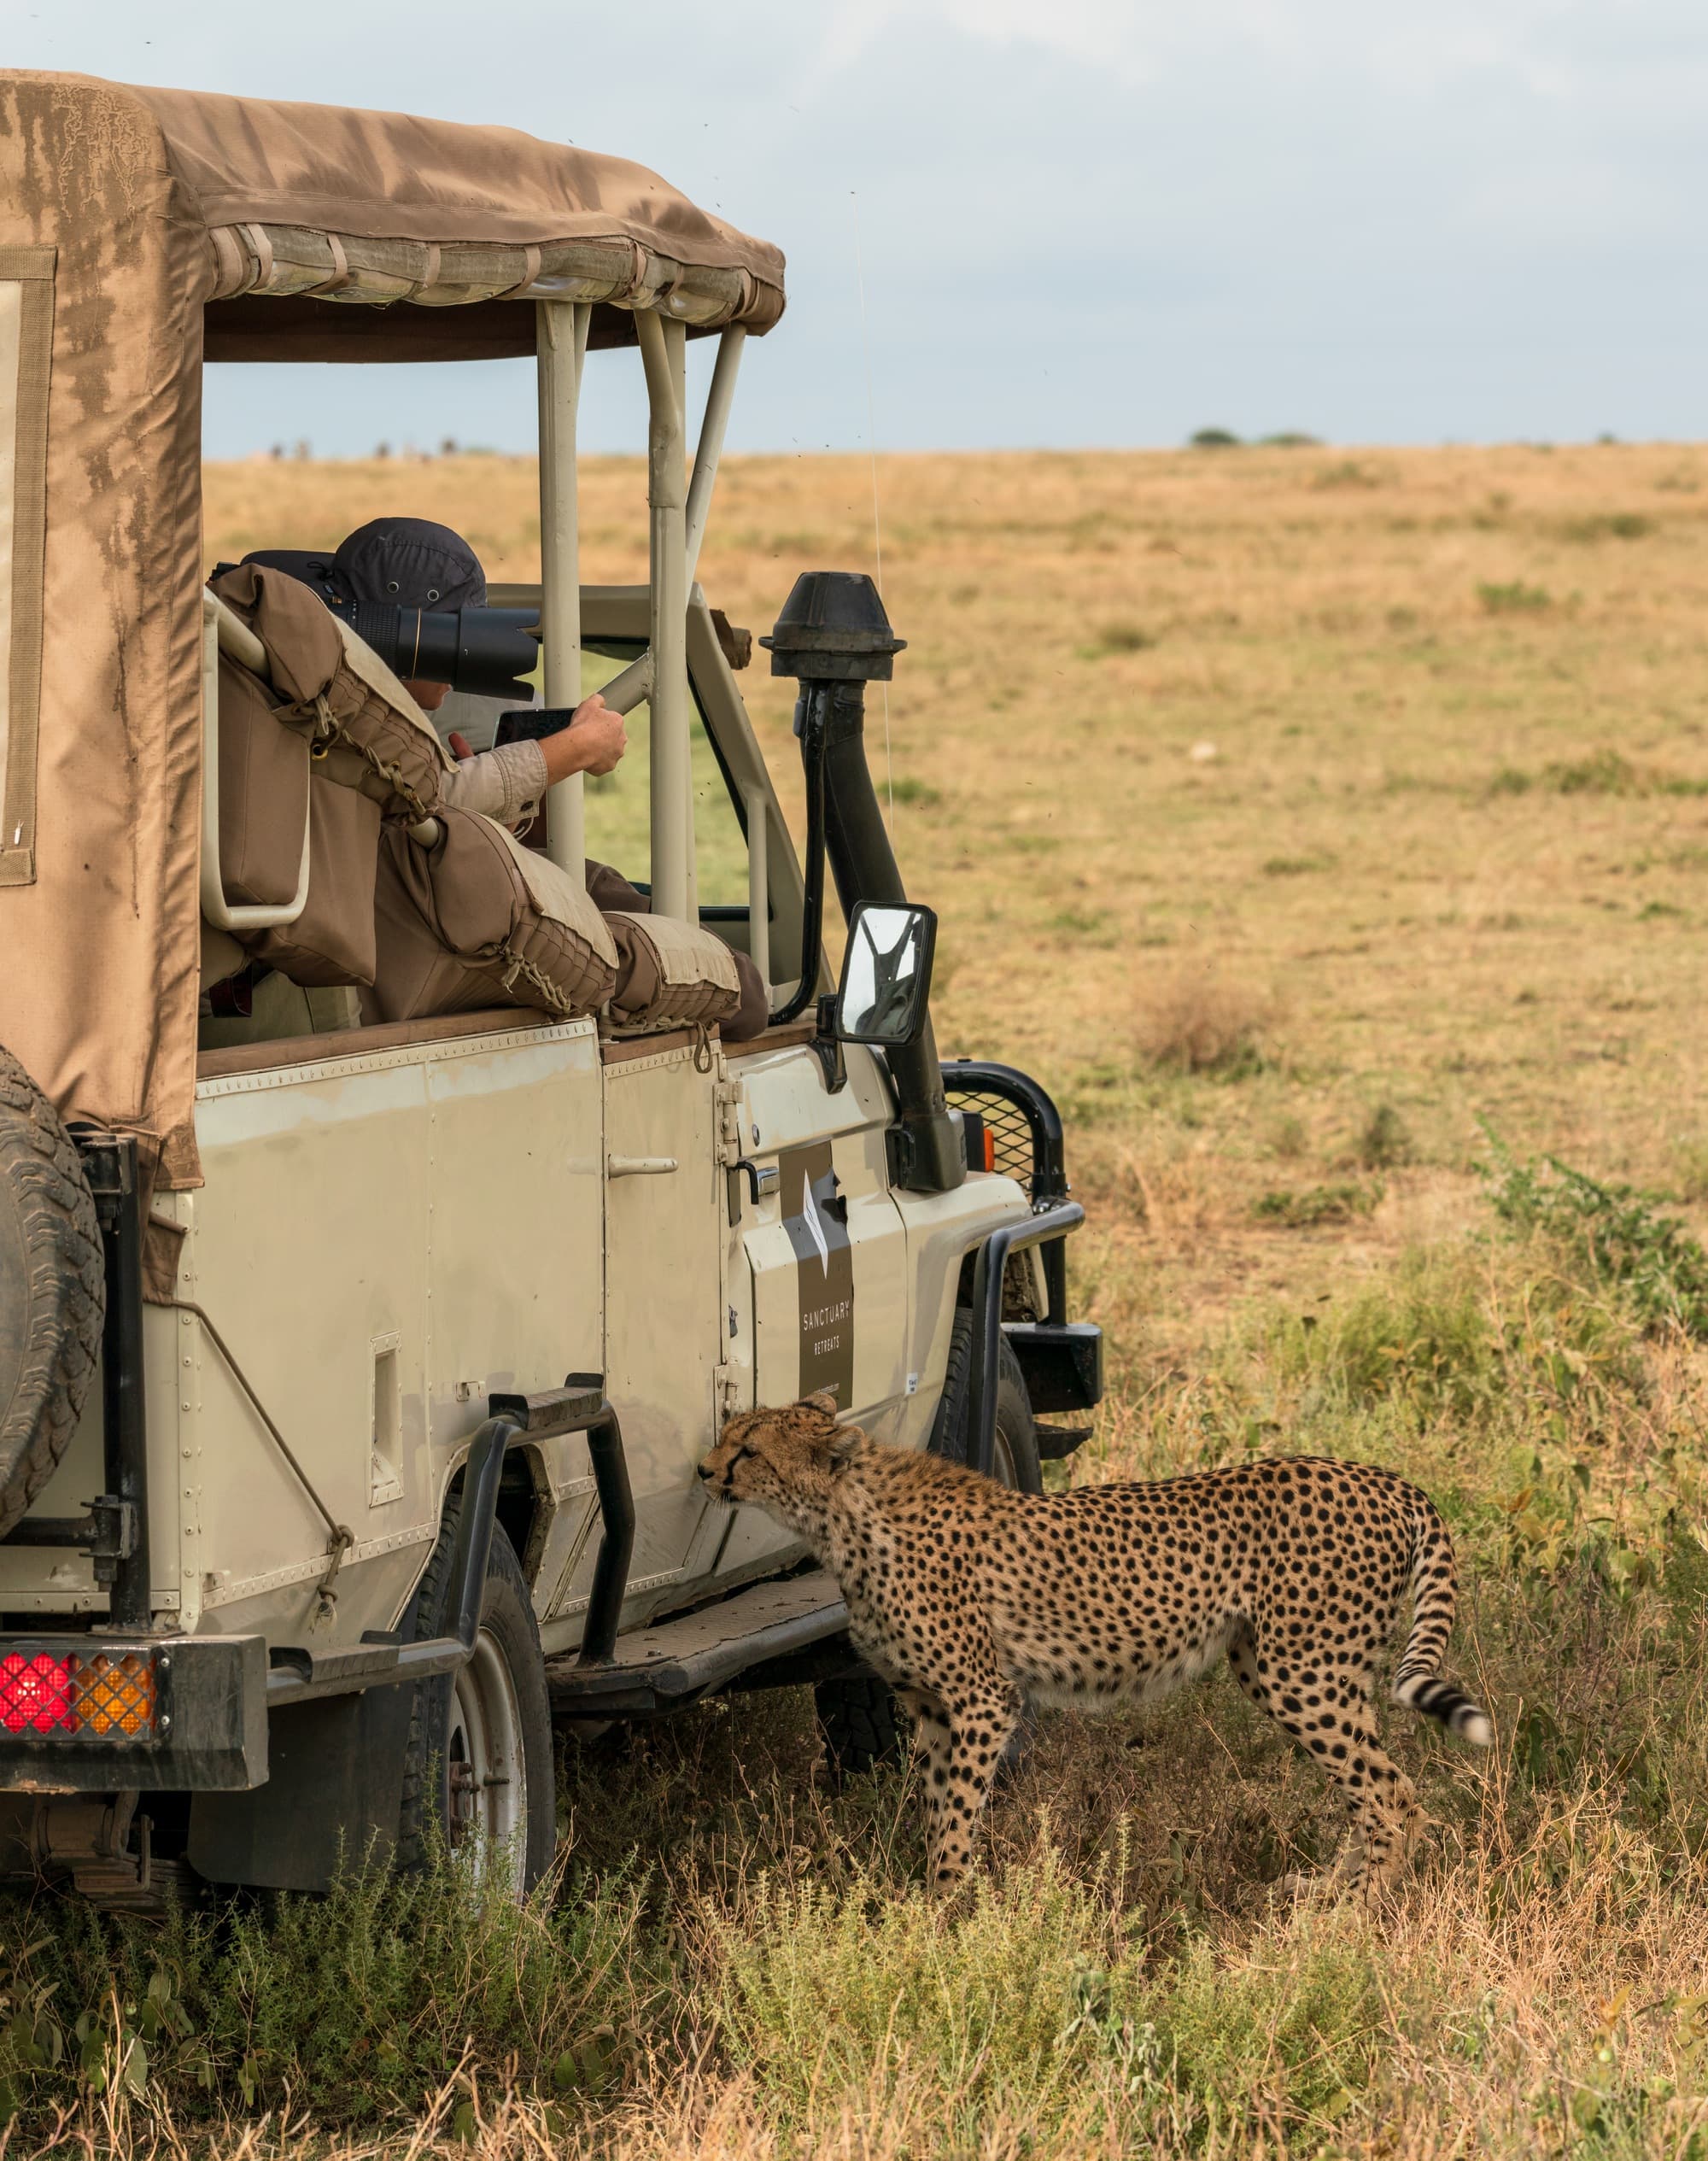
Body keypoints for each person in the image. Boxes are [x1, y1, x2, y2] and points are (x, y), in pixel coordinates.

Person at [318, 517, 628, 828]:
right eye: (454, 637)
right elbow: (429, 795)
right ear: (402, 634)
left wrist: (490, 823)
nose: (464, 659)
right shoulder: (338, 712)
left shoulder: (355, 703)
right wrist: (576, 747)